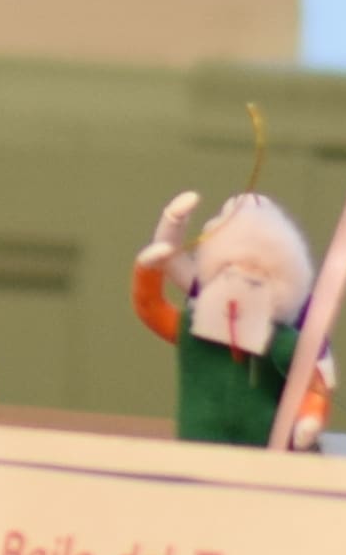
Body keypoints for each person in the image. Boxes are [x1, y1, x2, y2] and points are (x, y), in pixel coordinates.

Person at [132, 184, 320, 449]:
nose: (241, 280)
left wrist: (310, 416)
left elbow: (313, 382)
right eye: (231, 271)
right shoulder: (195, 327)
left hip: (262, 454)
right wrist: (169, 228)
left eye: (256, 278)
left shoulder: (282, 342)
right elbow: (153, 305)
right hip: (199, 446)